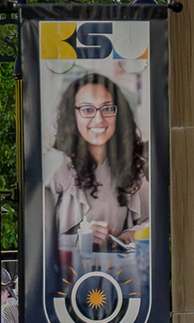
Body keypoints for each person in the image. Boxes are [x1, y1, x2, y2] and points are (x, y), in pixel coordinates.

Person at [48, 72, 150, 256]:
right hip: (66, 279)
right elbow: (36, 236)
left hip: (119, 276)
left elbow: (154, 219)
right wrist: (80, 239)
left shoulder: (130, 165)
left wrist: (130, 234)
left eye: (107, 108)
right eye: (87, 109)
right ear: (73, 115)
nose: (99, 119)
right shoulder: (57, 166)